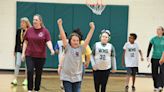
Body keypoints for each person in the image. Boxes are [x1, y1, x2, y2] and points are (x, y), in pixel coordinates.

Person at [57, 18, 95, 92]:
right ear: (70, 41)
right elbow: (63, 37)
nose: (76, 42)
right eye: (74, 40)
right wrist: (60, 25)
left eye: (77, 40)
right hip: (66, 77)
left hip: (77, 77)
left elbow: (88, 39)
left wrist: (92, 29)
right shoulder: (67, 47)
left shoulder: (81, 49)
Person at [21, 14, 55, 92]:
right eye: (33, 20)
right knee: (30, 71)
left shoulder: (45, 31)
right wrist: (23, 53)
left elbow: (48, 41)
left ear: (40, 21)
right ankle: (29, 89)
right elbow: (25, 42)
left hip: (41, 56)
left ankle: (36, 89)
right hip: (29, 55)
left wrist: (51, 49)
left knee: (38, 73)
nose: (34, 21)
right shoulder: (29, 30)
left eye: (36, 20)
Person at [11, 17, 31, 86]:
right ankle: (15, 79)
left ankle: (26, 80)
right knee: (17, 64)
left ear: (26, 23)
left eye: (23, 22)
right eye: (21, 22)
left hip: (27, 51)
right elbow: (17, 41)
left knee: (27, 66)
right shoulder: (19, 31)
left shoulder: (29, 31)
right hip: (19, 50)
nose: (21, 24)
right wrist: (14, 50)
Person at [147, 26, 164, 92]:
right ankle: (156, 86)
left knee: (162, 72)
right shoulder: (153, 39)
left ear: (162, 31)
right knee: (154, 73)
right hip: (154, 58)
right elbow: (149, 48)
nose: (158, 30)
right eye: (157, 29)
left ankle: (160, 86)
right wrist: (147, 56)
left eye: (159, 29)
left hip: (163, 58)